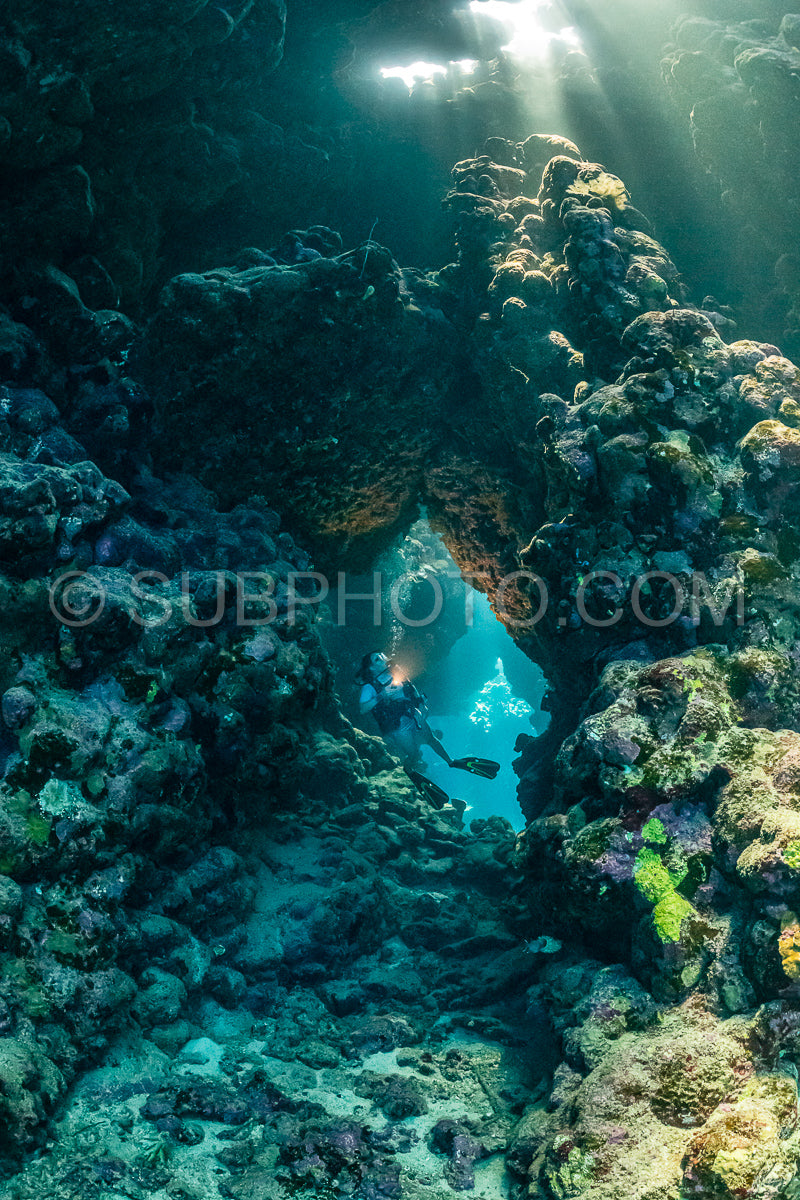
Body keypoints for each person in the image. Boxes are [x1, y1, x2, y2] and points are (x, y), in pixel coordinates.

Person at [357, 651, 499, 805]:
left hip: (413, 715)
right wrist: (380, 696)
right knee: (414, 754)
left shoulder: (396, 673)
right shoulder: (369, 687)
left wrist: (422, 706)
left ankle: (451, 762)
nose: (383, 659)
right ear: (371, 668)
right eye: (377, 659)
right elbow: (363, 708)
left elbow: (410, 688)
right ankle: (409, 770)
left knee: (432, 739)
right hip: (397, 727)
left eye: (382, 655)